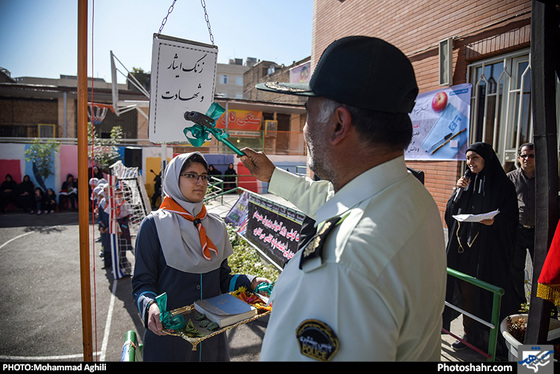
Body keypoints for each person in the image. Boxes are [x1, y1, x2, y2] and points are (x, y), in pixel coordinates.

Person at [239, 36, 447, 361]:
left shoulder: (339, 265)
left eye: (308, 114)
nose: (305, 129)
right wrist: (272, 176)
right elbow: (332, 200)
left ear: (338, 124)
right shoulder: (413, 198)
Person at [132, 152, 271, 361]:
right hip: (170, 341)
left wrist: (252, 281)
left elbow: (222, 280)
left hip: (211, 343)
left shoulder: (216, 226)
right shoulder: (154, 225)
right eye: (191, 175)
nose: (200, 182)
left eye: (204, 176)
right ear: (174, 179)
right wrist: (149, 306)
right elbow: (143, 282)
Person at [443, 142, 521, 353]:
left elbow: (512, 218)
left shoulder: (502, 185)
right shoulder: (467, 183)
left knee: (487, 295)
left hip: (489, 253)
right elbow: (450, 214)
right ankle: (470, 334)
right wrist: (458, 191)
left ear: (486, 158)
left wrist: (494, 222)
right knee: (467, 294)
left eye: (475, 158)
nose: (470, 163)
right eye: (468, 158)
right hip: (465, 251)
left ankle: (491, 340)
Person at [507, 143, 535, 304]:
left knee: (539, 270)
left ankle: (541, 305)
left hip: (538, 232)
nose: (527, 159)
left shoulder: (547, 179)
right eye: (524, 155)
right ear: (519, 158)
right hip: (518, 231)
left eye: (531, 155)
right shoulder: (511, 178)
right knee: (516, 269)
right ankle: (519, 303)